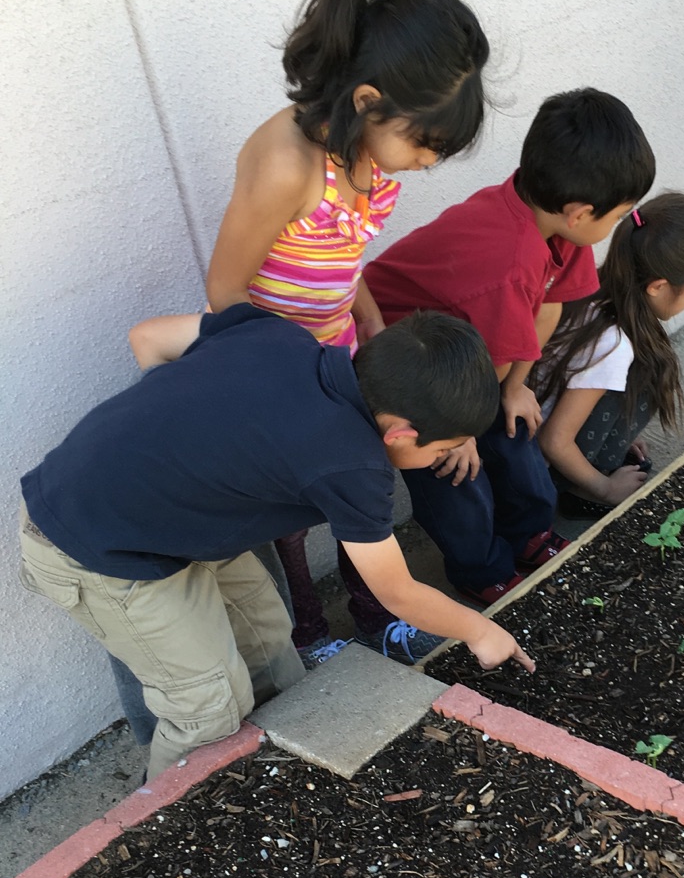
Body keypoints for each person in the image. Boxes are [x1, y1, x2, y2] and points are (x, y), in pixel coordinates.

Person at [135, 0, 491, 663]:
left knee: (366, 481)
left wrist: (368, 318)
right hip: (279, 371)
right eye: (424, 144)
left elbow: (338, 252)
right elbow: (225, 291)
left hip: (339, 350)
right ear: (366, 100)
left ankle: (374, 612)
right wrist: (283, 387)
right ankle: (309, 630)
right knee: (294, 512)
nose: (425, 163)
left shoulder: (367, 153)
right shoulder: (285, 164)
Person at [18, 305, 533, 782]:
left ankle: (266, 781)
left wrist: (176, 455)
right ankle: (159, 837)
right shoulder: (352, 464)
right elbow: (397, 593)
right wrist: (478, 631)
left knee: (271, 652)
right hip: (94, 545)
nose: (450, 455)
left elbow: (148, 337)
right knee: (206, 707)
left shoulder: (279, 334)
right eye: (444, 447)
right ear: (400, 433)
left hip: (166, 524)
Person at [364, 87, 656, 604]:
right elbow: (494, 348)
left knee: (518, 440)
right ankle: (481, 569)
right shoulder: (508, 262)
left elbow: (548, 309)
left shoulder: (560, 229)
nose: (615, 228)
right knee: (457, 477)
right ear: (580, 211)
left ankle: (527, 533)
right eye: (616, 217)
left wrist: (516, 387)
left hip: (475, 356)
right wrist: (462, 430)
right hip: (412, 373)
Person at [533, 192, 684, 518]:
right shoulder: (612, 344)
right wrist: (606, 488)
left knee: (647, 366)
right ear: (657, 286)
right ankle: (583, 489)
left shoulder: (597, 287)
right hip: (541, 465)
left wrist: (621, 434)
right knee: (650, 373)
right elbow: (554, 440)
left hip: (534, 434)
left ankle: (602, 454)